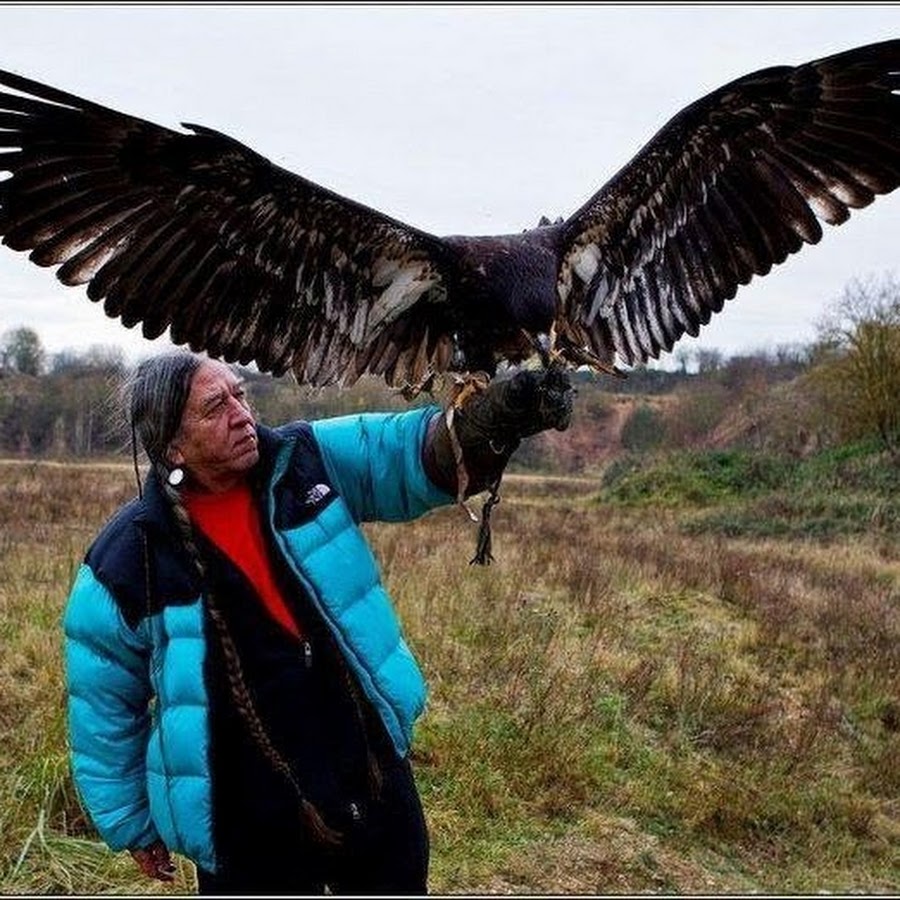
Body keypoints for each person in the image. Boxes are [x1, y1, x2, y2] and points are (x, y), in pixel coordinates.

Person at [62, 349, 573, 896]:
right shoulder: (127, 557)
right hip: (245, 816)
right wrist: (131, 823)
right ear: (170, 443)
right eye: (216, 407)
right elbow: (103, 706)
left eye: (240, 394)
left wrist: (484, 427)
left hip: (369, 775)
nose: (242, 414)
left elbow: (402, 455)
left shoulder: (303, 460)